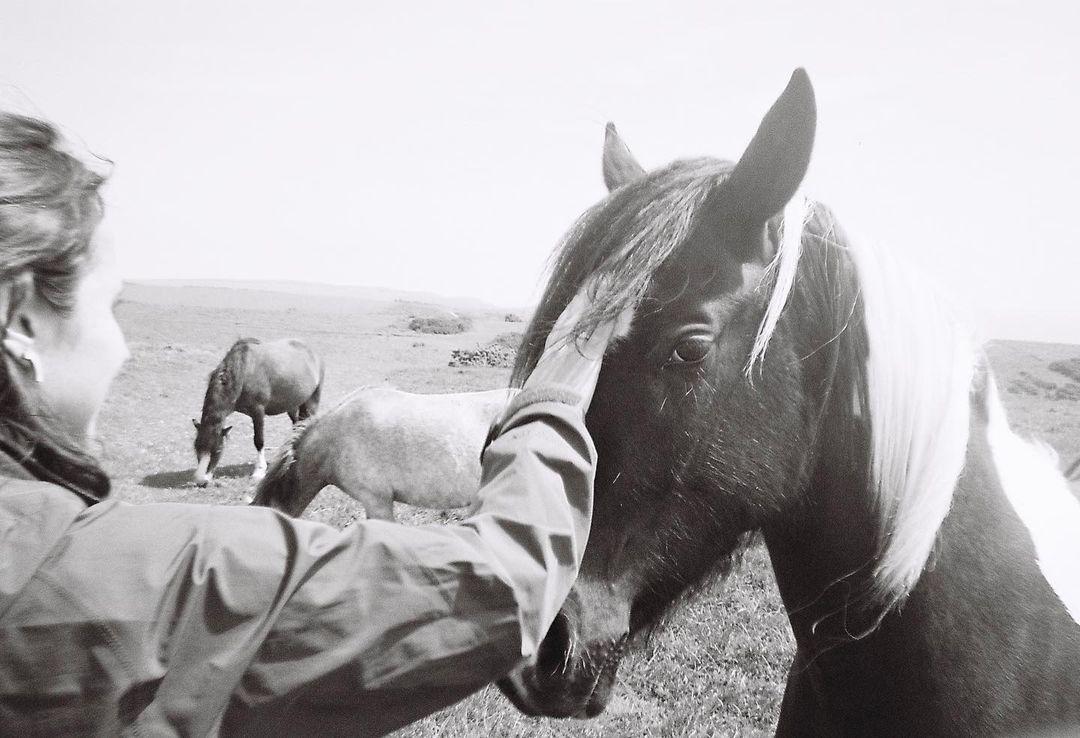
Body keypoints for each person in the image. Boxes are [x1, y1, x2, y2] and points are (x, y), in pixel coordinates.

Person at [0, 111, 621, 735]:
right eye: (109, 308)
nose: (123, 348)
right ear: (22, 318)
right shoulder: (102, 568)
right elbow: (497, 587)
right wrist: (554, 394)